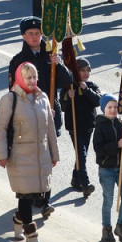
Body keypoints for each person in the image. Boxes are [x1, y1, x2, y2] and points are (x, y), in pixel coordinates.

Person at [0, 62, 59, 242]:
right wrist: (1, 155)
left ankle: (17, 220)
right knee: (25, 195)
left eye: (34, 77)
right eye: (28, 77)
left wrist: (54, 154)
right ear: (20, 78)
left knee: (34, 195)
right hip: (19, 157)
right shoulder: (9, 99)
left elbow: (50, 130)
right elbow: (0, 129)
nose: (32, 81)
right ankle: (32, 237)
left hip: (40, 155)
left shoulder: (42, 98)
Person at [9, 16, 73, 152]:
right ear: (23, 36)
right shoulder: (18, 61)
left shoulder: (51, 55)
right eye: (30, 33)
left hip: (51, 110)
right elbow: (14, 91)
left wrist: (58, 65)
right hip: (29, 114)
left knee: (48, 155)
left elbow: (67, 81)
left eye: (37, 33)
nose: (34, 36)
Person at [93, 94, 122, 242]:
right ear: (103, 109)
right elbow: (98, 149)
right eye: (110, 107)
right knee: (108, 200)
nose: (113, 110)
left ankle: (121, 226)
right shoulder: (100, 126)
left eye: (115, 107)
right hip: (106, 169)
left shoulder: (121, 123)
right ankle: (106, 229)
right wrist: (116, 145)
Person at [63, 57, 101, 197]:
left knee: (81, 154)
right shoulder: (69, 86)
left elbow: (98, 101)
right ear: (76, 71)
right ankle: (85, 184)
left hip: (89, 126)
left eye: (87, 70)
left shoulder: (91, 86)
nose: (85, 73)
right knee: (82, 154)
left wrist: (86, 90)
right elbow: (62, 105)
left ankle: (75, 178)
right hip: (74, 126)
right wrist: (68, 96)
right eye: (82, 70)